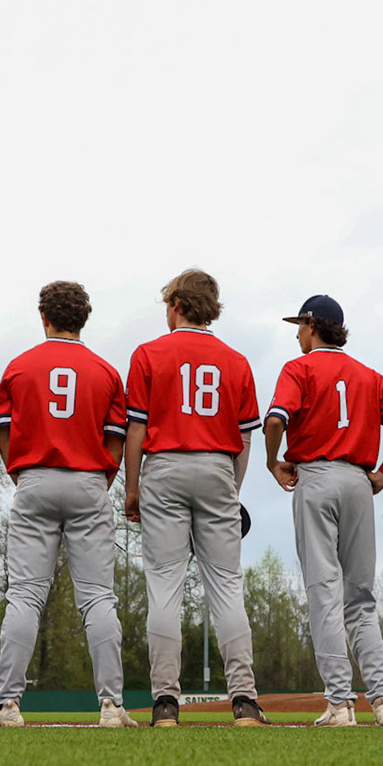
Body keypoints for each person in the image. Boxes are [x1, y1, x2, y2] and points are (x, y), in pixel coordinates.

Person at [123, 269, 270, 727]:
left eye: (168, 302)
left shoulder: (148, 353)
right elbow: (246, 439)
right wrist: (233, 487)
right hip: (217, 468)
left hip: (164, 467)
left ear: (179, 305)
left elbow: (136, 429)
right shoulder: (237, 360)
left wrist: (132, 488)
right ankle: (244, 700)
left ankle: (166, 702)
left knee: (164, 587)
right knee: (226, 587)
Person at [265, 294, 383, 728]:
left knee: (324, 593)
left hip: (316, 476)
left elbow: (275, 419)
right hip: (358, 482)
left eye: (300, 325)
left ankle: (340, 703)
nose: (296, 333)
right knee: (361, 598)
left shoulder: (300, 368)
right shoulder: (367, 374)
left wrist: (272, 461)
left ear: (313, 326)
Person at [0, 282, 131, 729]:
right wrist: (101, 480)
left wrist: (22, 473)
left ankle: (7, 705)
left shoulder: (20, 366)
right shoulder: (105, 371)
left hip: (35, 479)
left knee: (26, 596)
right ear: (83, 319)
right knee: (98, 598)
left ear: (43, 317)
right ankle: (111, 706)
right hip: (89, 481)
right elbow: (116, 440)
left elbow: (3, 432)